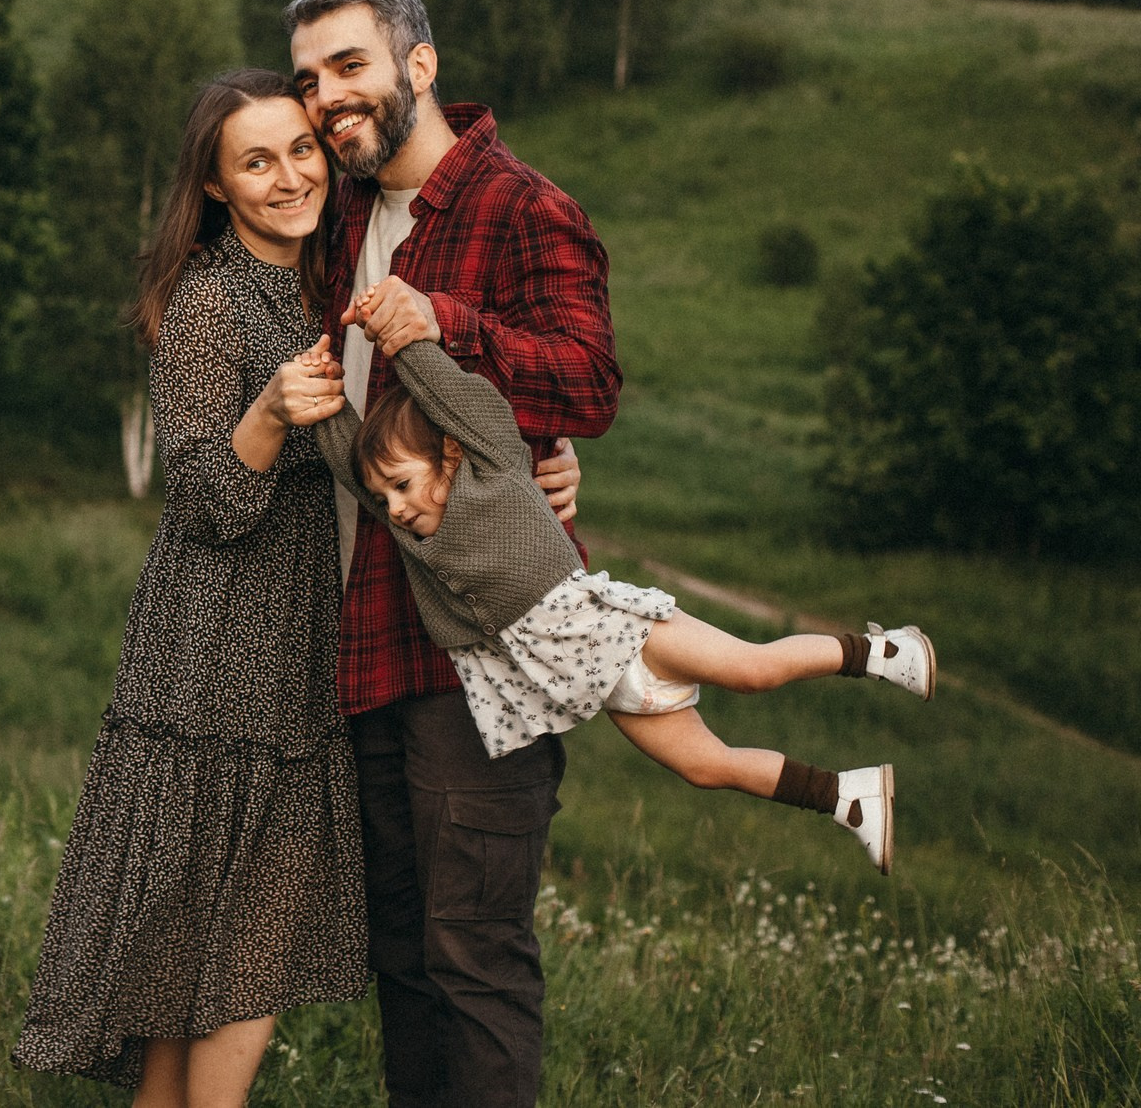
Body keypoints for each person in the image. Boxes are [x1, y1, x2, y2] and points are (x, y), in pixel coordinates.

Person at [283, 0, 613, 1108]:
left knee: (474, 955)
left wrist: (449, 327)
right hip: (368, 634)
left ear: (419, 65)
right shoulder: (337, 218)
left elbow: (588, 381)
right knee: (405, 956)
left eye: (350, 65)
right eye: (309, 80)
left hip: (481, 646)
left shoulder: (522, 208)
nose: (328, 98)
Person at [288, 298, 933, 872]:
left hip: (625, 637)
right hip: (608, 690)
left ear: (451, 455)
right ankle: (849, 798)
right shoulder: (413, 535)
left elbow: (457, 399)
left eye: (403, 486)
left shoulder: (494, 469)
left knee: (754, 670)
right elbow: (355, 470)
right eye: (387, 497)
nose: (396, 508)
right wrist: (322, 405)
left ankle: (888, 652)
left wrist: (402, 339)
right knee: (707, 767)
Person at [12, 69, 369, 1106]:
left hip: (296, 660)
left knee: (206, 973)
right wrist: (270, 411)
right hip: (213, 665)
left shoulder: (327, 285)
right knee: (218, 961)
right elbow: (205, 497)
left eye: (300, 150)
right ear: (215, 186)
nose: (289, 176)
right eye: (256, 162)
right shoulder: (209, 299)